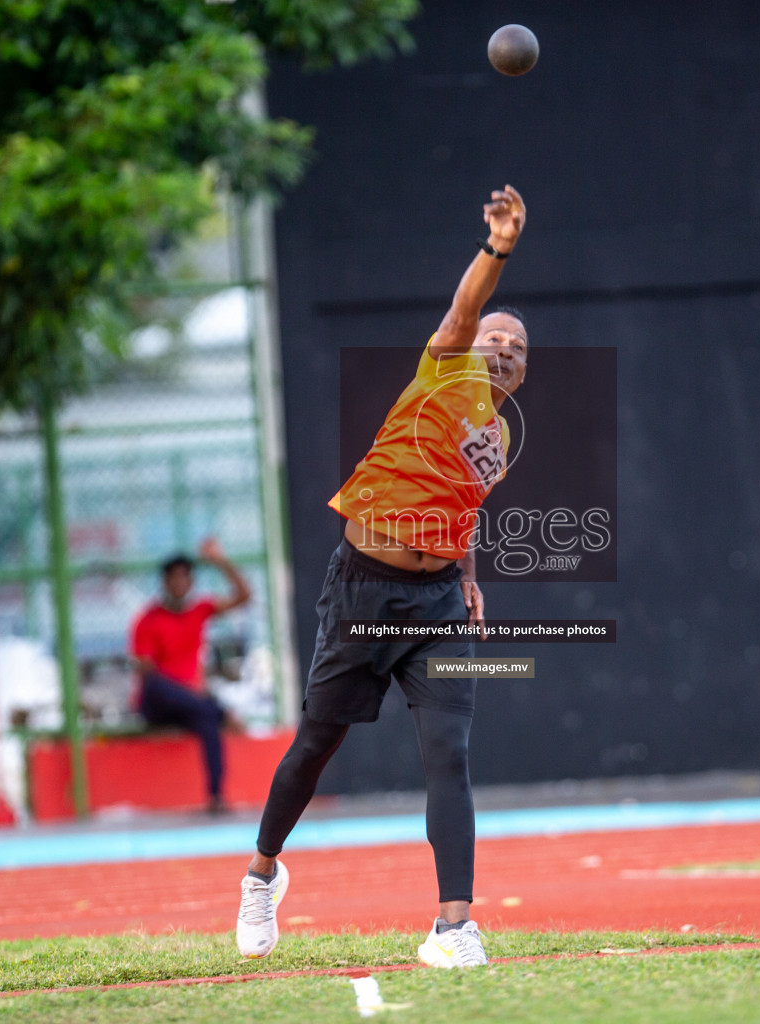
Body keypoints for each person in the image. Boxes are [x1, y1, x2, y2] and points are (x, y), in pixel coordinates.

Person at [236, 185, 529, 969]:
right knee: (317, 742)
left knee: (449, 751)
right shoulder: (445, 369)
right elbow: (467, 309)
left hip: (435, 602)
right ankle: (263, 871)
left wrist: (464, 573)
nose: (502, 348)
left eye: (518, 347)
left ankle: (453, 927)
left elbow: (453, 501)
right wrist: (497, 248)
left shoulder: (497, 435)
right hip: (364, 588)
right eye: (494, 337)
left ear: (525, 371)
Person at [129, 537, 253, 814]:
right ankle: (221, 711)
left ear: (191, 582)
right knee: (161, 687)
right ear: (165, 583)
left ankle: (216, 796)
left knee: (206, 718)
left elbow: (245, 596)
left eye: (184, 578)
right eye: (174, 578)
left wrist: (220, 560)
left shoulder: (200, 610)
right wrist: (194, 694)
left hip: (192, 703)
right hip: (159, 702)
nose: (179, 584)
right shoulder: (148, 619)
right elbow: (145, 670)